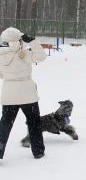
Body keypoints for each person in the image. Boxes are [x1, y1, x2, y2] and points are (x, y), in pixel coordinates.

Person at [0, 27, 47, 160]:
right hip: (28, 95)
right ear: (19, 40)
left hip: (9, 94)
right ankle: (38, 151)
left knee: (5, 123)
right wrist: (32, 41)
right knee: (34, 122)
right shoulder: (25, 53)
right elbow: (41, 57)